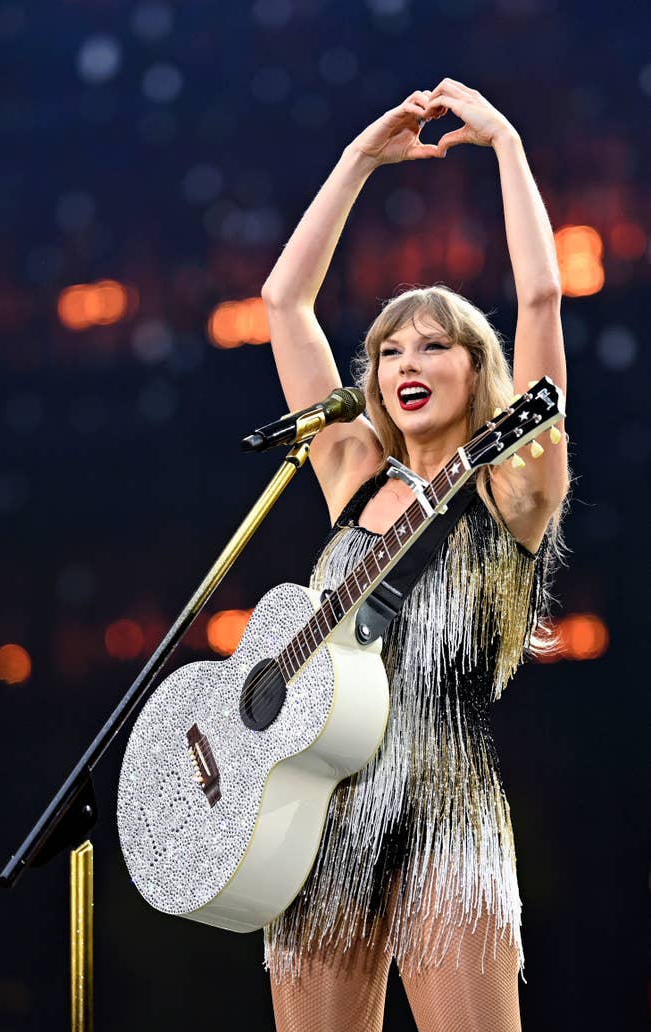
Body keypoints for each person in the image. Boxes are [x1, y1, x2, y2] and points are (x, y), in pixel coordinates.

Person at [259, 79, 569, 1032]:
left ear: (478, 370)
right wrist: (359, 161)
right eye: (391, 351)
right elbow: (282, 299)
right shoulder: (351, 473)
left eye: (436, 347)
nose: (406, 365)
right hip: (321, 819)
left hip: (447, 809)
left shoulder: (513, 485)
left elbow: (543, 295)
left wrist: (509, 144)